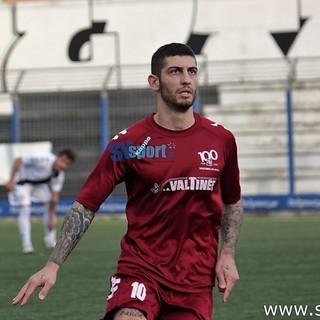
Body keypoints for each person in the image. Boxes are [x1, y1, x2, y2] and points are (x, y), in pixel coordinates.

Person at [12, 43, 243, 319]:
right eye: (175, 71)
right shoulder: (128, 143)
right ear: (154, 82)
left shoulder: (221, 140)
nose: (186, 79)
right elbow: (85, 206)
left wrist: (227, 253)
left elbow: (232, 201)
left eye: (192, 71)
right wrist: (53, 264)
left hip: (195, 280)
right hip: (140, 269)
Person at [6, 148, 76, 253]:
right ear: (58, 157)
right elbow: (18, 160)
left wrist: (51, 218)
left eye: (67, 164)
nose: (63, 165)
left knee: (48, 202)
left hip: (38, 185)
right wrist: (11, 180)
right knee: (25, 207)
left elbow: (54, 197)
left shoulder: (59, 175)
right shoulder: (43, 158)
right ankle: (27, 244)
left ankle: (50, 240)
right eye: (63, 160)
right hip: (21, 182)